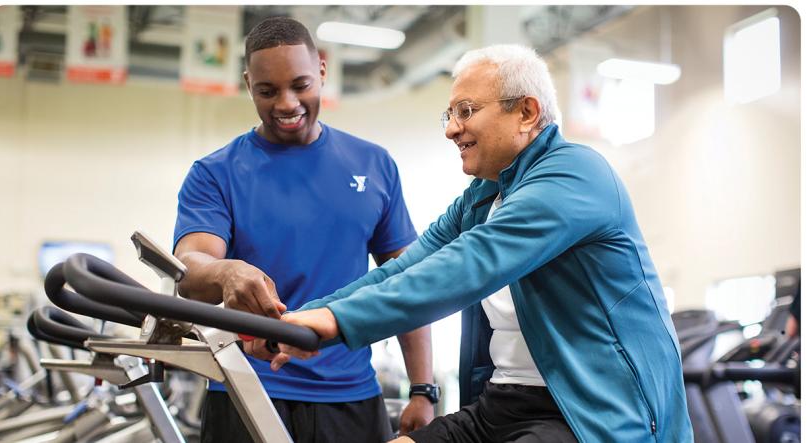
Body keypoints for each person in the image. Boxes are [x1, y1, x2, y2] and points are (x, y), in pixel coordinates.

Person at [274, 44, 694, 442]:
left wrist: (337, 321)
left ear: (526, 112)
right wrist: (301, 319)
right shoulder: (483, 196)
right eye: (449, 114)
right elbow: (405, 269)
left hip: (592, 412)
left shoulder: (575, 175)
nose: (451, 129)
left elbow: (468, 265)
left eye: (466, 111)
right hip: (503, 402)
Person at [172, 17, 435, 443]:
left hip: (350, 396)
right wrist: (226, 272)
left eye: (300, 85)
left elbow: (408, 282)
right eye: (267, 91)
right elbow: (190, 266)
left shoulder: (374, 165)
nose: (287, 103)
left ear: (322, 72)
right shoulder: (215, 173)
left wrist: (423, 388)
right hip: (246, 390)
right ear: (248, 84)